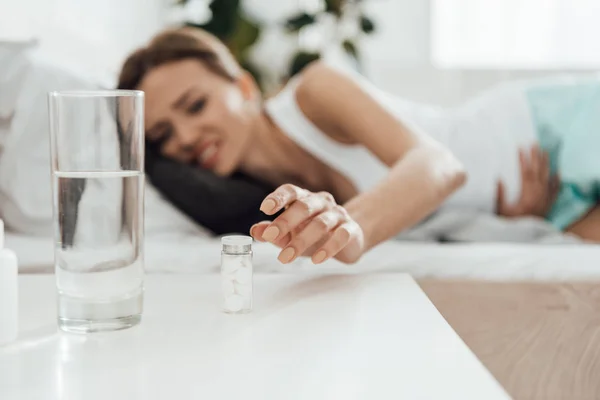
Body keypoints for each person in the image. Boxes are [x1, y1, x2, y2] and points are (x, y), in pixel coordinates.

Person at [117, 27, 597, 264]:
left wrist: (352, 226)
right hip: (544, 203)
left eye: (195, 106)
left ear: (244, 87)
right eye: (163, 136)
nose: (184, 139)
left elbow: (438, 163)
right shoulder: (261, 199)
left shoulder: (313, 92)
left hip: (534, 133)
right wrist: (516, 226)